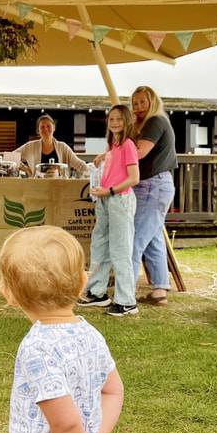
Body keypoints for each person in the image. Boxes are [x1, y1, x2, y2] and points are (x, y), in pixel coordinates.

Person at [0, 225, 124, 433]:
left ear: (9, 294)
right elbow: (113, 390)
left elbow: (66, 425)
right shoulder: (91, 335)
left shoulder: (37, 348)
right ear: (82, 283)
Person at [78, 105, 140, 317]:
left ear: (127, 122)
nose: (114, 122)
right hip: (105, 200)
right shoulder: (113, 145)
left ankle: (127, 301)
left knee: (120, 249)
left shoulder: (129, 145)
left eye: (119, 119)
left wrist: (110, 190)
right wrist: (102, 157)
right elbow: (114, 162)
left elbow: (134, 178)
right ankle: (97, 293)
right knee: (100, 245)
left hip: (119, 199)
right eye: (111, 119)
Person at [130, 86, 177, 306]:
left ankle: (125, 291)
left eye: (142, 102)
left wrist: (111, 159)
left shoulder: (155, 121)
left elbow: (139, 153)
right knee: (153, 238)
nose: (138, 107)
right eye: (135, 103)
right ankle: (160, 290)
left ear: (152, 101)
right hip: (158, 184)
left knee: (135, 239)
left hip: (152, 185)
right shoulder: (153, 122)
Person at [16, 114, 89, 177]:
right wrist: (26, 169)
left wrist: (94, 173)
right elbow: (10, 156)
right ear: (38, 131)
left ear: (54, 128)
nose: (46, 129)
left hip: (60, 188)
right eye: (42, 127)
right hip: (37, 187)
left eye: (48, 126)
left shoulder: (63, 147)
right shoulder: (30, 146)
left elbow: (80, 165)